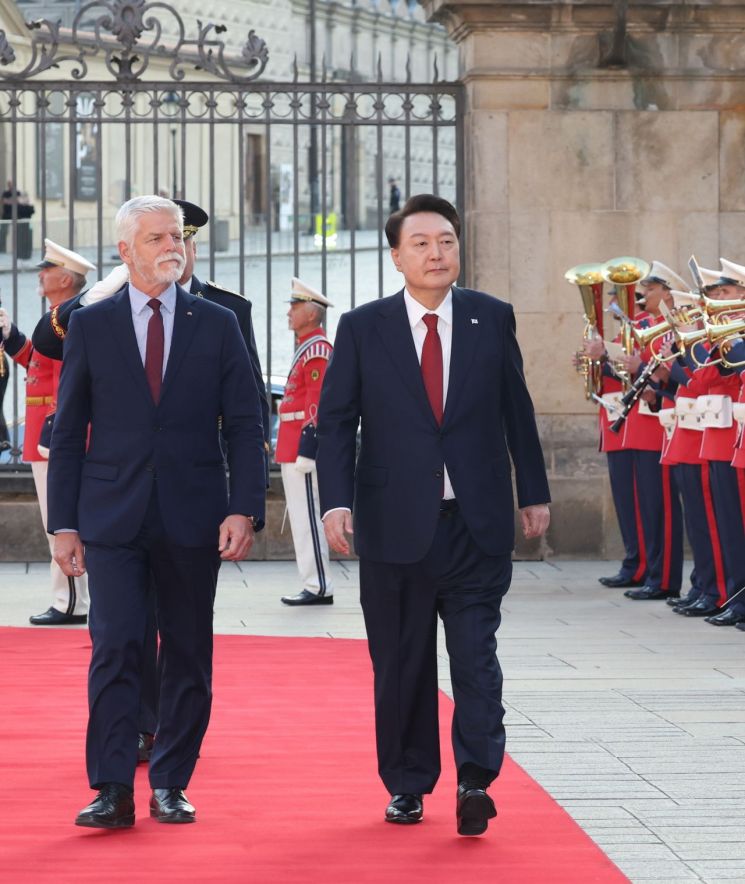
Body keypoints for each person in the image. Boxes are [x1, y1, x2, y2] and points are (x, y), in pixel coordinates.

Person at [317, 194, 550, 836]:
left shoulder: (490, 318)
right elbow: (337, 422)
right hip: (394, 529)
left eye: (445, 240)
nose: (436, 253)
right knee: (402, 664)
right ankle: (408, 784)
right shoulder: (364, 328)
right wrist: (336, 502)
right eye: (420, 243)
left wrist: (532, 491)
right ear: (397, 257)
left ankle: (476, 779)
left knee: (477, 658)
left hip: (475, 526)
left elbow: (516, 411)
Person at [47, 195, 266, 828]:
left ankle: (171, 781)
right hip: (110, 517)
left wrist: (243, 507)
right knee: (115, 647)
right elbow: (69, 431)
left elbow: (246, 421)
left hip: (195, 515)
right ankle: (112, 786)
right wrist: (63, 522)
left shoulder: (217, 322)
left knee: (189, 651)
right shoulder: (91, 324)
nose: (173, 246)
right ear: (125, 251)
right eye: (157, 238)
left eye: (178, 236)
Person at [0, 239, 95, 625]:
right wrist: (10, 336)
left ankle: (70, 602)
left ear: (66, 279)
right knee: (55, 520)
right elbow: (37, 367)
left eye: (47, 270)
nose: (39, 275)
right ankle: (70, 598)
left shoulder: (69, 322)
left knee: (61, 521)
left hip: (54, 438)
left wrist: (57, 434)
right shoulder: (57, 319)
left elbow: (69, 385)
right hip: (46, 437)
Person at [276, 278, 334, 606]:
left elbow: (317, 405)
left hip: (302, 447)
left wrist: (308, 449)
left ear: (311, 314)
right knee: (301, 517)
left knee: (308, 517)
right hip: (291, 443)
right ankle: (312, 582)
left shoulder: (317, 350)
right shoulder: (308, 347)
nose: (289, 313)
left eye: (295, 307)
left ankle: (319, 585)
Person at [0, 180, 20, 253]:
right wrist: (12, 200)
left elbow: (18, 201)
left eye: (11, 184)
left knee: (17, 232)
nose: (10, 186)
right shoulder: (5, 193)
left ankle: (17, 248)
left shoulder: (17, 193)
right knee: (3, 232)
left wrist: (9, 201)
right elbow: (3, 201)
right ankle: (2, 248)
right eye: (9, 184)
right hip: (6, 216)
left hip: (15, 215)